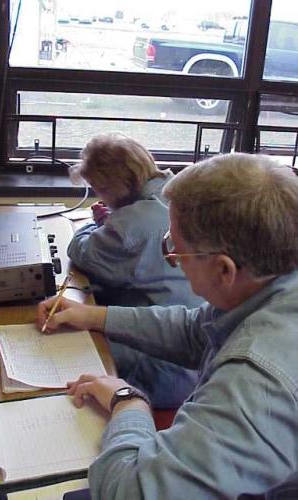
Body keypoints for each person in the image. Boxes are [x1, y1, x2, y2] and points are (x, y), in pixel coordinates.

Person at [37, 153, 298, 498]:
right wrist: (93, 316)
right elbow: (194, 330)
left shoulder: (256, 383)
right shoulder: (272, 283)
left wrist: (129, 403)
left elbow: (130, 493)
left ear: (224, 270)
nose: (171, 258)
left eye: (175, 247)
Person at [67, 133, 203, 408]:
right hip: (193, 358)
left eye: (99, 189)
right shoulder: (177, 191)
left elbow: (80, 251)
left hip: (164, 369)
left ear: (114, 187)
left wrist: (97, 224)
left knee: (70, 356)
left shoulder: (134, 223)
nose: (99, 196)